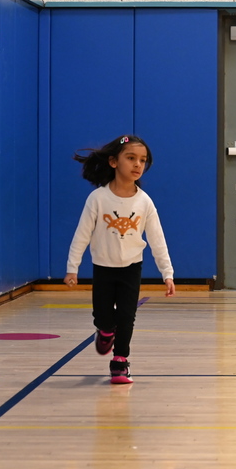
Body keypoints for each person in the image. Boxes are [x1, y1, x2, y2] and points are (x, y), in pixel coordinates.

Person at [65, 135, 175, 384]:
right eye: (131, 158)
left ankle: (120, 362)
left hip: (131, 268)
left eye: (143, 160)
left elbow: (157, 239)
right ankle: (105, 331)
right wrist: (72, 268)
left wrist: (167, 273)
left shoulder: (145, 202)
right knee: (103, 316)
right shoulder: (97, 198)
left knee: (126, 317)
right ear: (114, 162)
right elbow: (82, 234)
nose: (138, 164)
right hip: (103, 267)